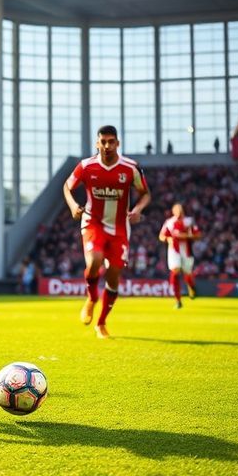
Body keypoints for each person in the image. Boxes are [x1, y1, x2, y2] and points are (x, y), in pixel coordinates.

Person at [63, 125, 151, 338]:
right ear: (97, 143)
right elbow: (67, 186)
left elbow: (145, 193)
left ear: (118, 144)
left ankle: (101, 323)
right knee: (94, 260)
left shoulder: (130, 168)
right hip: (93, 223)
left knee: (113, 277)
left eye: (111, 141)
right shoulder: (86, 166)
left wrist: (138, 209)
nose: (107, 146)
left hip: (120, 228)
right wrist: (74, 206)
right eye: (103, 141)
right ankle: (92, 298)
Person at [159, 203, 201, 308]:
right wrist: (168, 239)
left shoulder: (189, 221)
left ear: (183, 211)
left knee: (187, 273)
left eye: (180, 211)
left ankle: (192, 287)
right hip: (174, 250)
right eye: (177, 211)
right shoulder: (169, 222)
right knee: (175, 270)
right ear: (173, 212)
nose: (179, 213)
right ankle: (178, 300)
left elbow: (198, 235)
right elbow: (161, 236)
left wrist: (185, 236)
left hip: (187, 251)